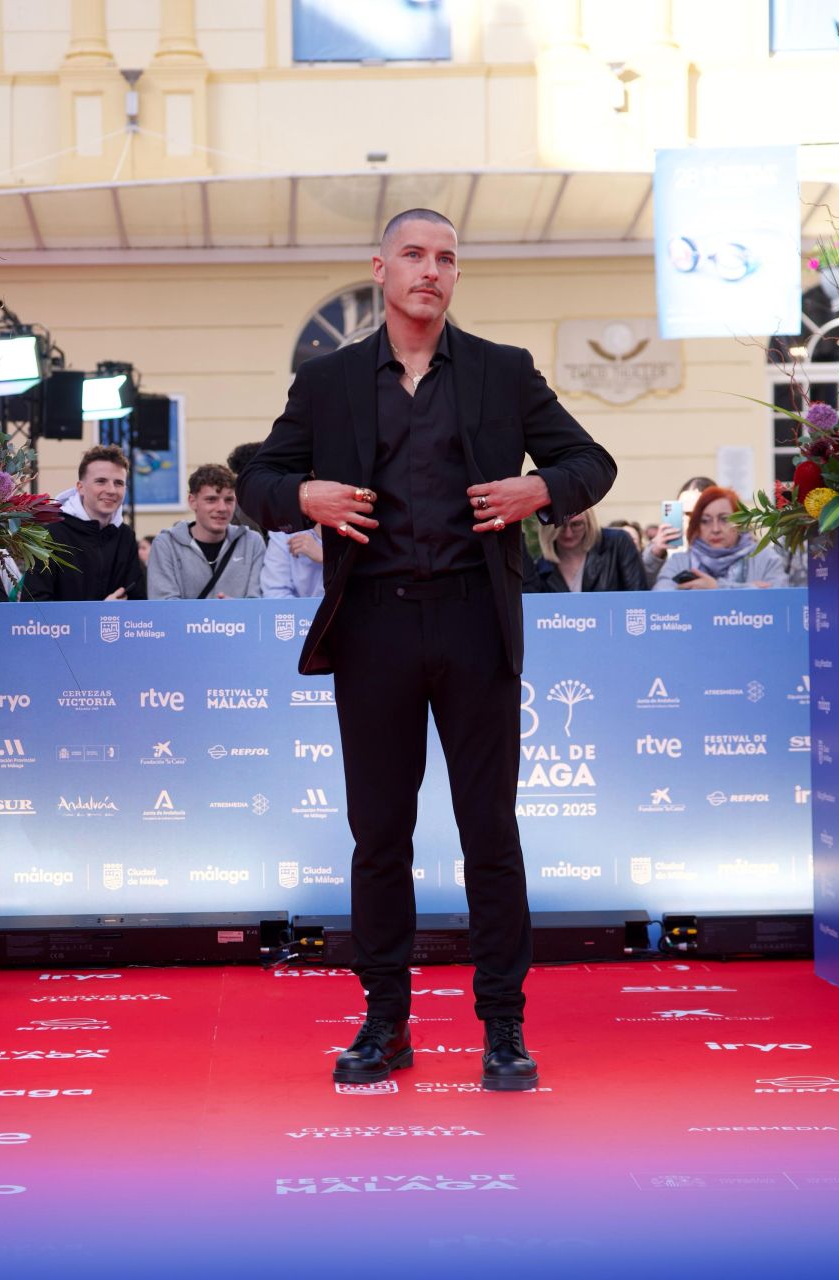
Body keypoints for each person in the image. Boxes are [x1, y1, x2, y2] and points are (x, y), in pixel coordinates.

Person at [238, 207, 616, 1092]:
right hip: (371, 625)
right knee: (380, 836)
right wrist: (307, 497)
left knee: (491, 833)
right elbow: (256, 481)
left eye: (446, 257)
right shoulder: (327, 381)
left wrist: (540, 488)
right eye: (414, 254)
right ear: (380, 268)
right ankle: (384, 1023)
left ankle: (505, 1030)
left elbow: (590, 461)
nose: (431, 270)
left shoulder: (501, 372)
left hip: (475, 624)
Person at [19, 446, 147, 602]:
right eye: (101, 481)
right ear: (80, 487)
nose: (111, 490)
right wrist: (99, 613)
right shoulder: (50, 535)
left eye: (119, 483)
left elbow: (138, 600)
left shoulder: (126, 535)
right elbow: (34, 606)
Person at [148, 463, 265, 600]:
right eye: (211, 500)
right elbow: (164, 607)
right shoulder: (166, 544)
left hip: (238, 621)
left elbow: (258, 605)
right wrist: (221, 613)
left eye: (229, 500)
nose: (222, 508)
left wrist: (235, 611)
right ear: (192, 502)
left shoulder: (252, 542)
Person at [652, 485, 787, 590]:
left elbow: (780, 600)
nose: (715, 529)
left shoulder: (765, 559)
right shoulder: (679, 562)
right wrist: (750, 588)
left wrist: (717, 587)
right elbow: (661, 600)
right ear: (696, 525)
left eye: (724, 519)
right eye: (705, 521)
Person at [525, 508, 647, 593]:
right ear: (549, 528)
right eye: (560, 526)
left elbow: (637, 597)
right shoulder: (541, 568)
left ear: (589, 521)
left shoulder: (618, 543)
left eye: (576, 524)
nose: (568, 533)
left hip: (614, 627)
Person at [642, 474, 716, 585]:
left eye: (697, 513)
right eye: (685, 513)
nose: (691, 520)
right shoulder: (667, 551)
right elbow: (641, 586)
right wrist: (655, 555)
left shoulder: (736, 546)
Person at [263, 525, 326, 598]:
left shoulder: (341, 534)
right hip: (299, 608)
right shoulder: (284, 532)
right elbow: (275, 594)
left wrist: (326, 558)